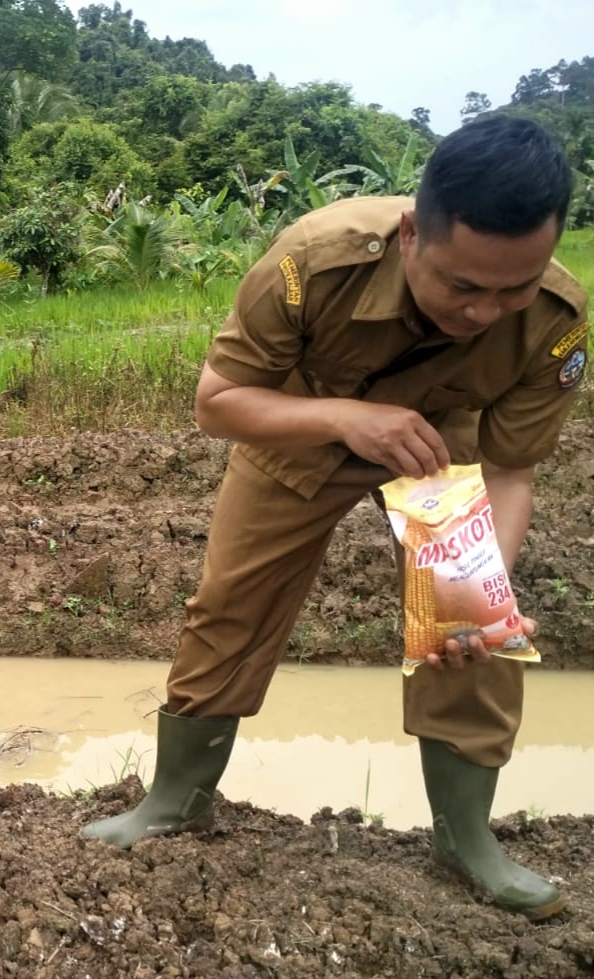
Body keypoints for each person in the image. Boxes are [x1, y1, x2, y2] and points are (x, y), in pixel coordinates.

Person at [81, 116, 587, 920]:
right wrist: (349, 418)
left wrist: (482, 591)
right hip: (303, 428)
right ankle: (174, 801)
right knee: (227, 610)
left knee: (474, 635)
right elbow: (217, 403)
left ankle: (466, 840)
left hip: (437, 449)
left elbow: (509, 468)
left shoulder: (558, 315)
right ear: (414, 232)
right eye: (462, 285)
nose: (484, 311)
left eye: (511, 288)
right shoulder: (312, 260)